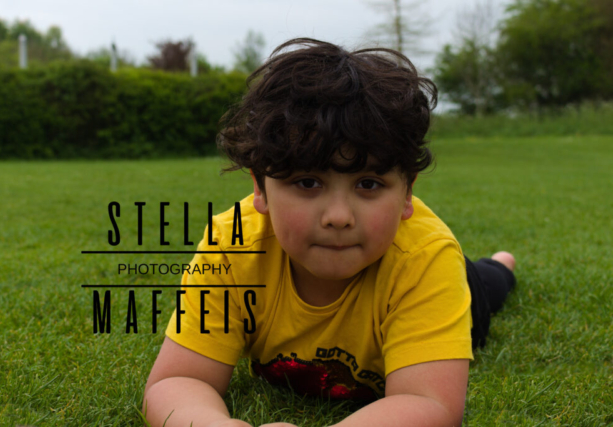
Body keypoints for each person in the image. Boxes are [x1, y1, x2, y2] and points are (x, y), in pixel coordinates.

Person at [143, 38, 516, 427]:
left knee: (488, 284)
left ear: (408, 192)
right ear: (260, 188)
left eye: (368, 184)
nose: (338, 217)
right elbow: (178, 379)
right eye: (307, 183)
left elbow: (430, 403)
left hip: (455, 286)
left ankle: (501, 265)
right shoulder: (232, 247)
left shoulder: (425, 258)